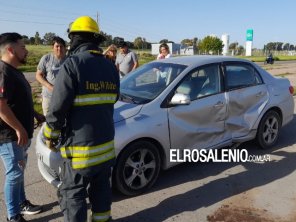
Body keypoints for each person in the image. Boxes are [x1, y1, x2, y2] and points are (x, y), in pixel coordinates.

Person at [42, 16, 120, 222]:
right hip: (105, 148)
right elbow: (113, 99)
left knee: (73, 196)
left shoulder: (72, 65)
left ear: (74, 39)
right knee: (102, 194)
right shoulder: (111, 67)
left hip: (80, 154)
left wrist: (51, 136)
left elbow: (57, 109)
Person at [0, 33, 44, 222]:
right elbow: (1, 106)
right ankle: (13, 216)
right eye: (23, 47)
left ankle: (21, 203)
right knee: (14, 174)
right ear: (10, 49)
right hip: (10, 136)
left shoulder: (14, 70)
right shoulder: (3, 72)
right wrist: (19, 128)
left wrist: (35, 114)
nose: (26, 50)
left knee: (20, 171)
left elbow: (19, 101)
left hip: (20, 134)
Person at [35, 36, 66, 115]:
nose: (59, 48)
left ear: (65, 48)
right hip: (48, 97)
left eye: (61, 46)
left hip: (65, 97)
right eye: (57, 46)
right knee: (48, 120)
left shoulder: (69, 60)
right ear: (53, 47)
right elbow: (38, 75)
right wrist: (49, 86)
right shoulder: (46, 58)